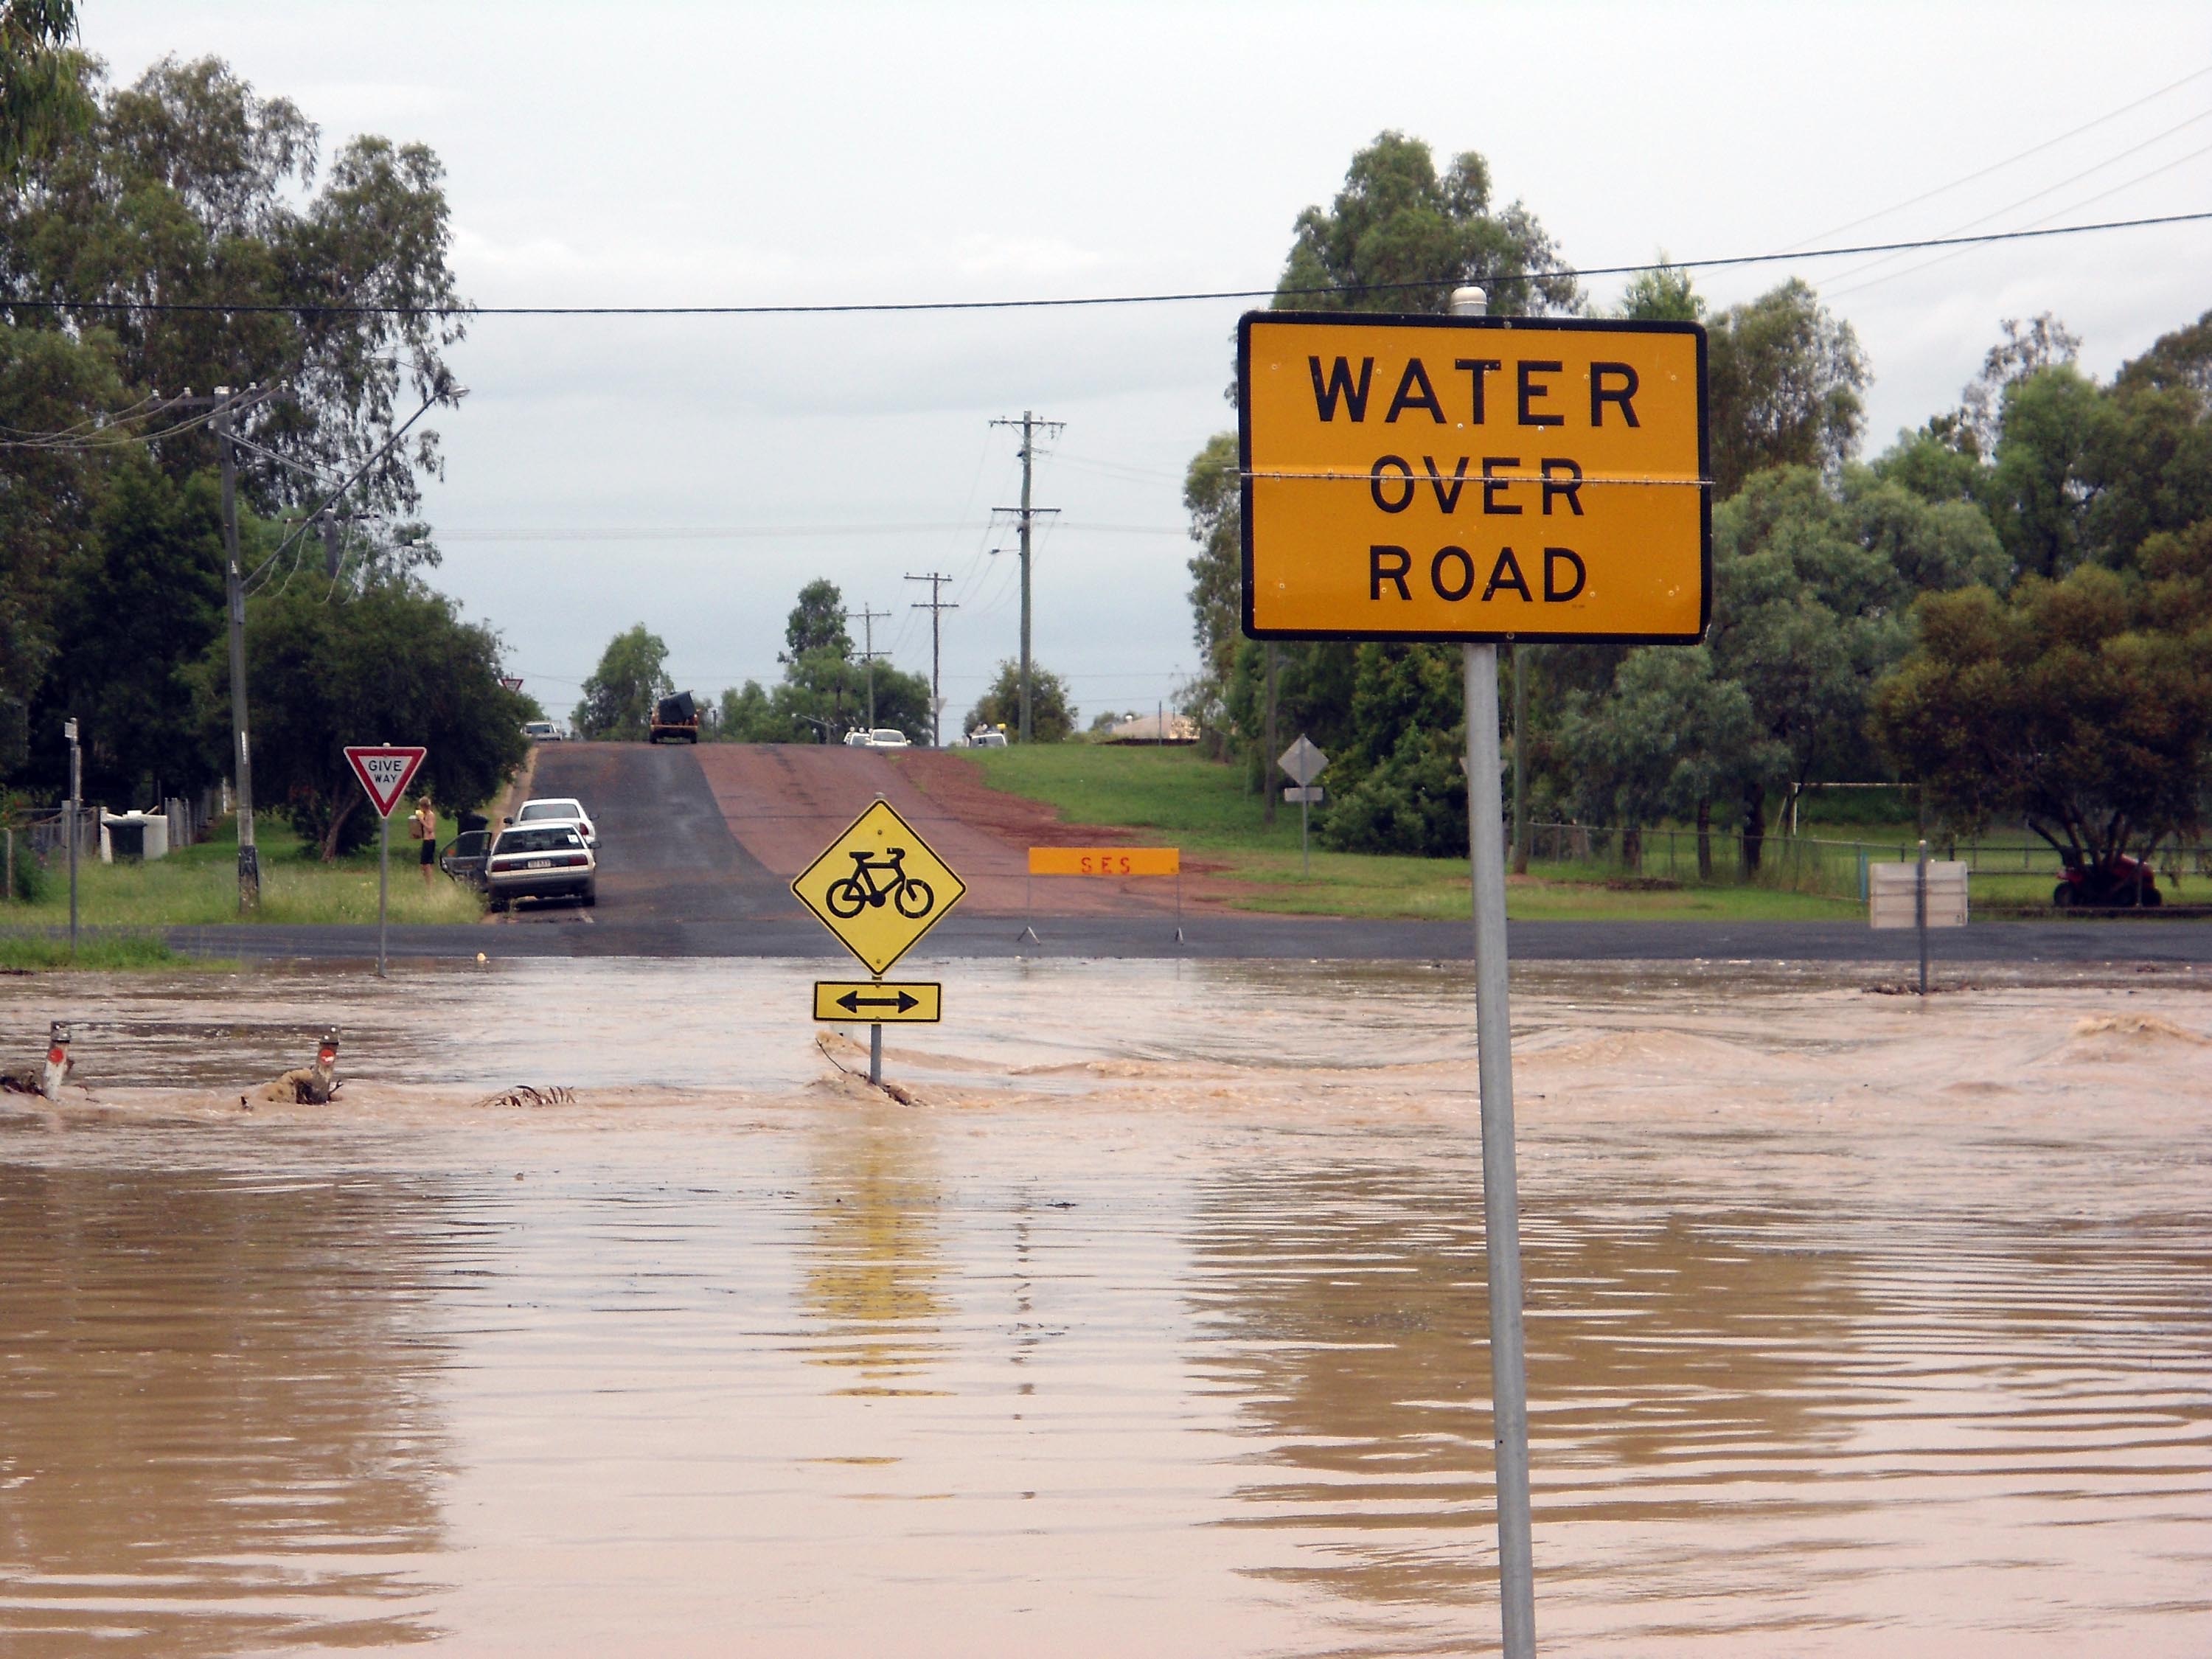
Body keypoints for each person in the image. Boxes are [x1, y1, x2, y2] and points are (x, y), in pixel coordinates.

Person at [410, 797, 439, 884]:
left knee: (427, 865)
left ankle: (430, 883)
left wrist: (421, 820)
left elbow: (430, 829)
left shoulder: (430, 815)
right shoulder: (426, 815)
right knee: (423, 865)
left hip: (429, 841)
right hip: (426, 840)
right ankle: (428, 881)